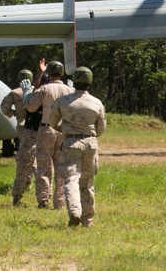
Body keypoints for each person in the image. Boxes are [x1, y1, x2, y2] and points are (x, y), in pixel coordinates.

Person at [55, 66, 107, 227]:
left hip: (71, 143)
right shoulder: (96, 102)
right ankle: (88, 219)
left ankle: (75, 212)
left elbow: (52, 121)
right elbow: (101, 129)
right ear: (90, 82)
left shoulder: (63, 101)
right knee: (87, 181)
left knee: (71, 178)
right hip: (90, 144)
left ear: (74, 81)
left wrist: (65, 130)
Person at [23, 58, 74, 209]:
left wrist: (27, 93)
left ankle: (43, 199)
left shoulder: (44, 89)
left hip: (46, 128)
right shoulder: (70, 90)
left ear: (49, 73)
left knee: (44, 166)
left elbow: (31, 107)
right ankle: (60, 202)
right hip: (63, 130)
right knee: (61, 166)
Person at [0, 69, 37, 206]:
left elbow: (4, 107)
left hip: (22, 125)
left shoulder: (15, 92)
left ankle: (26, 181)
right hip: (40, 127)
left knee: (26, 155)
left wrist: (14, 113)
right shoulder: (37, 91)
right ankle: (34, 183)